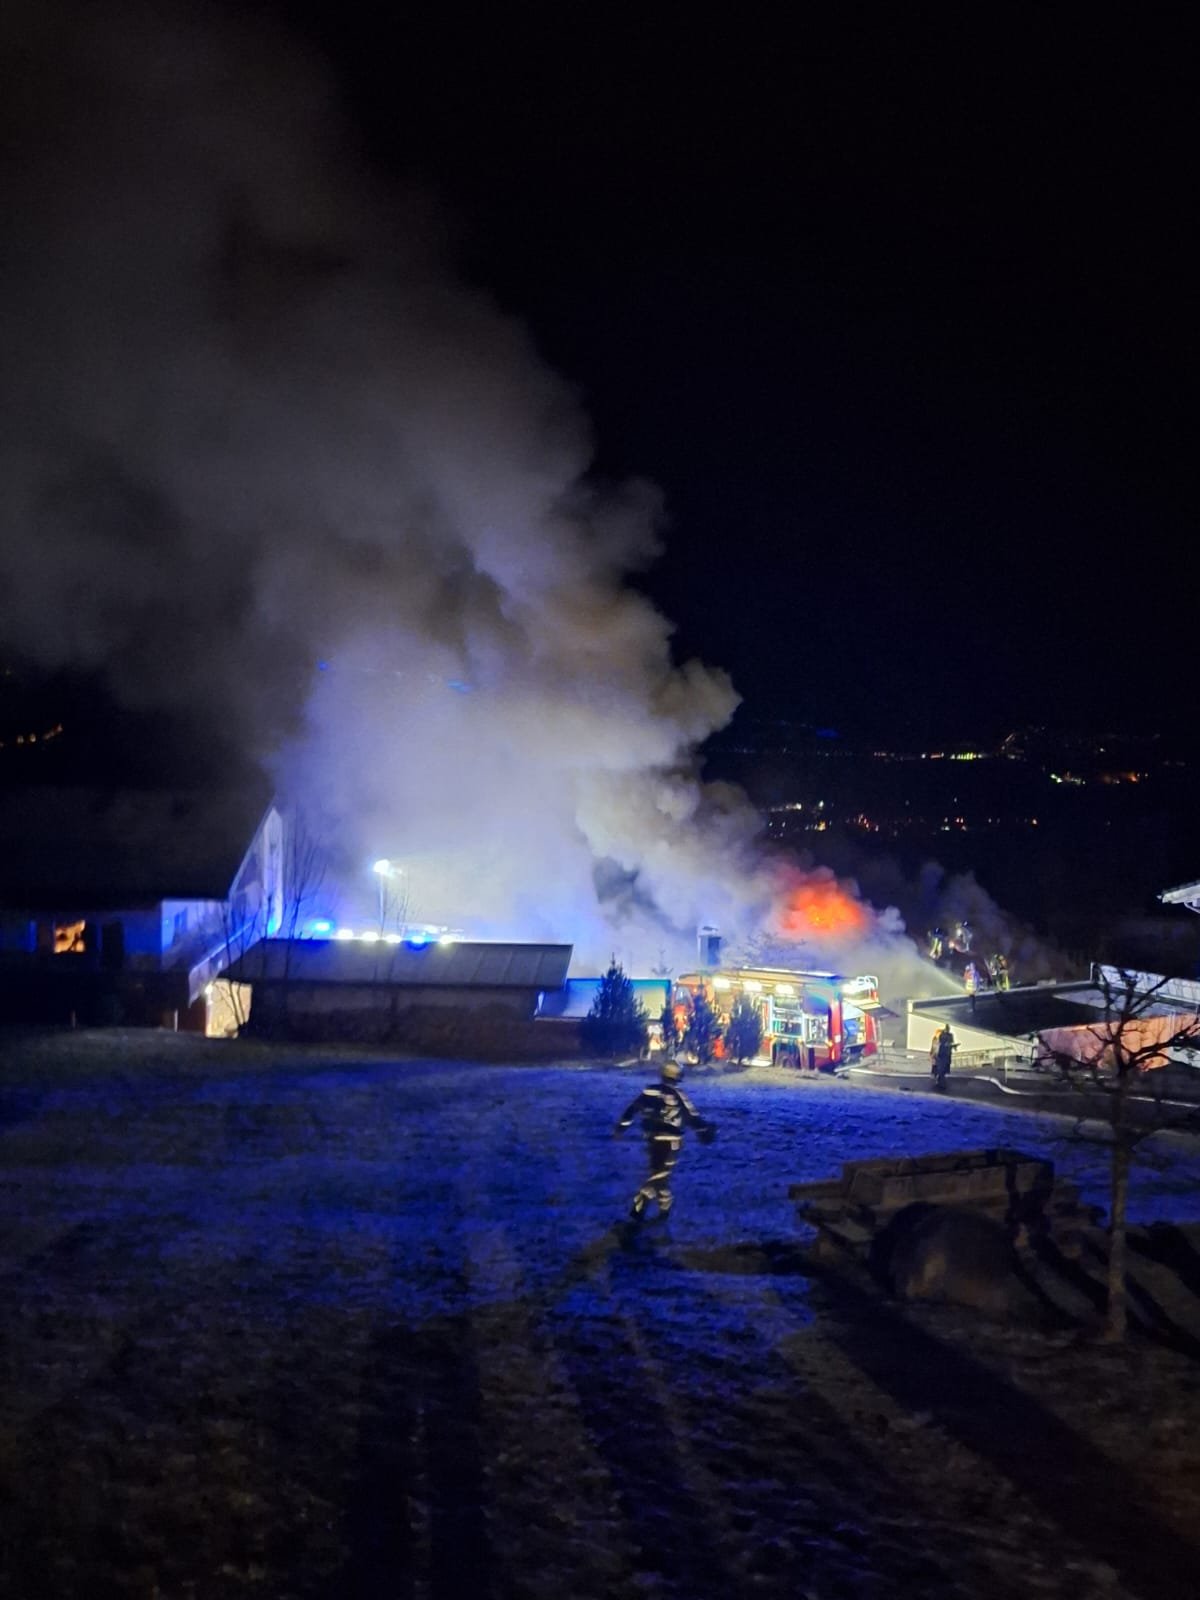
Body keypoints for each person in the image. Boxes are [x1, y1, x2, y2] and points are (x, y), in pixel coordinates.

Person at [613, 1059, 715, 1222]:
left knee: (659, 1173)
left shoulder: (650, 1091)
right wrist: (704, 1130)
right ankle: (648, 1206)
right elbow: (692, 1117)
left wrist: (621, 1127)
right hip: (672, 1141)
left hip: (654, 1140)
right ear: (678, 1076)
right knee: (660, 1174)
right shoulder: (679, 1095)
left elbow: (632, 1109)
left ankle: (657, 1207)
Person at [931, 1025, 956, 1090]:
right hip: (942, 1054)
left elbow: (951, 1043)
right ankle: (941, 1082)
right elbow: (937, 1044)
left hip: (944, 1054)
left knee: (942, 1069)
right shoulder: (941, 1036)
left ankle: (940, 1081)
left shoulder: (949, 1035)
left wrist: (953, 1046)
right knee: (941, 1069)